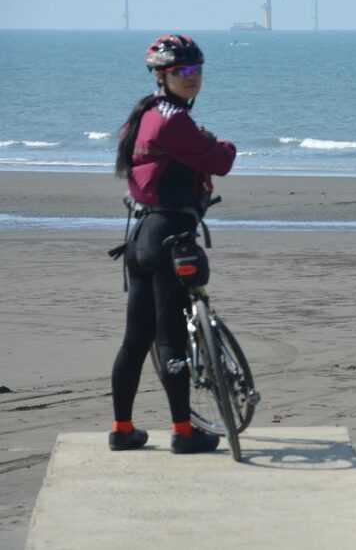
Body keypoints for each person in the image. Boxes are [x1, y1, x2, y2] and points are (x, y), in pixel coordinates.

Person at [108, 34, 236, 454]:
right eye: (182, 72)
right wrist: (219, 143)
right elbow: (222, 160)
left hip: (140, 237)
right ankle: (184, 432)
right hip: (170, 237)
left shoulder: (140, 114)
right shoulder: (173, 119)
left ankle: (122, 429)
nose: (192, 78)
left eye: (197, 71)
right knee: (169, 339)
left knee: (134, 340)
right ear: (161, 75)